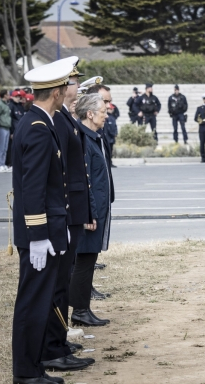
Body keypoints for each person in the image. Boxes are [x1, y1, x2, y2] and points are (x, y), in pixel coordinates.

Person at [12, 59, 79, 384]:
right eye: (66, 86)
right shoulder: (38, 129)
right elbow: (33, 188)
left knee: (38, 301)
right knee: (33, 303)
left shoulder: (37, 122)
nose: (67, 90)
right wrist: (38, 234)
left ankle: (33, 367)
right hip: (40, 234)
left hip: (47, 230)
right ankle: (26, 372)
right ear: (56, 92)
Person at [41, 56, 94, 372]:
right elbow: (59, 173)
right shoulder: (56, 120)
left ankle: (58, 341)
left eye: (71, 81)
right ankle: (54, 345)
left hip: (70, 210)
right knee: (58, 282)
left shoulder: (64, 117)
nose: (71, 86)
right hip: (65, 210)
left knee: (62, 279)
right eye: (71, 82)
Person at [70, 93, 115, 325]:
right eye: (102, 112)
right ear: (89, 114)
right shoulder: (82, 139)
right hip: (90, 212)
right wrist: (89, 211)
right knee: (85, 261)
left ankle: (82, 308)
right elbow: (83, 180)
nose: (106, 115)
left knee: (89, 258)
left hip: (96, 209)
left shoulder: (93, 136)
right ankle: (79, 311)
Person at [0, 89, 11, 172]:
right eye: (8, 94)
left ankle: (3, 164)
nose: (9, 95)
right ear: (4, 95)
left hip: (7, 127)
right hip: (1, 127)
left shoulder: (6, 104)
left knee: (5, 147)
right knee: (1, 147)